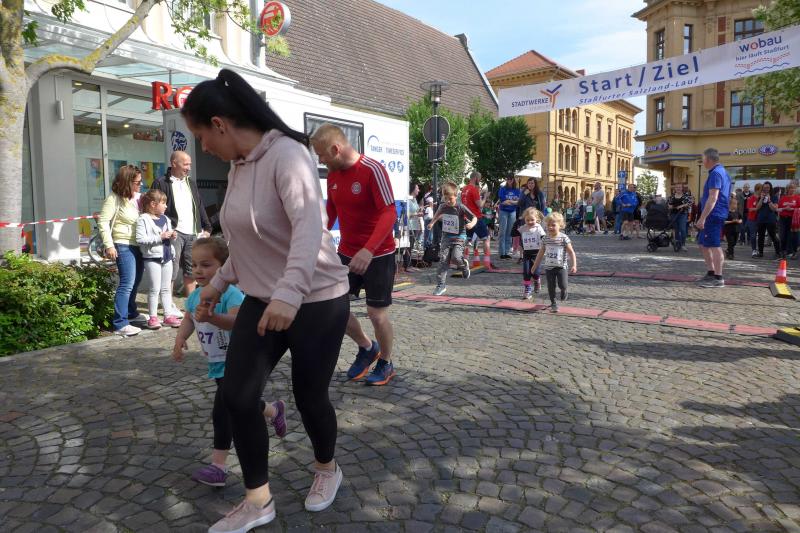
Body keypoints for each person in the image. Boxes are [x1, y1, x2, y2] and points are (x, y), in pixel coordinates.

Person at [183, 69, 351, 532]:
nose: (203, 148)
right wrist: (217, 285)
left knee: (309, 396)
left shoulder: (288, 155)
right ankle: (258, 501)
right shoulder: (238, 167)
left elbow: (308, 230)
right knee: (237, 396)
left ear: (219, 124)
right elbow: (246, 243)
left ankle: (326, 468)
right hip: (264, 298)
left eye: (201, 136)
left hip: (316, 298)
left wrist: (290, 293)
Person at [172, 237, 286, 488]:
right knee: (239, 403)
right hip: (216, 363)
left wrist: (212, 318)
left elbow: (237, 321)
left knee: (222, 411)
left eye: (206, 265)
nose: (198, 270)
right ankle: (273, 410)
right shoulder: (195, 295)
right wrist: (180, 338)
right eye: (195, 265)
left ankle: (218, 467)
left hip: (237, 361)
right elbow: (189, 318)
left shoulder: (231, 294)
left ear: (224, 268)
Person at [310, 123, 398, 386]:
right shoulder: (334, 176)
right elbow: (331, 212)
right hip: (347, 253)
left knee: (376, 313)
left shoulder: (372, 169)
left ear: (335, 149)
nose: (321, 161)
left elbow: (389, 212)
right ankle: (367, 347)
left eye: (322, 155)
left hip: (378, 254)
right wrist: (313, 239)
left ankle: (386, 362)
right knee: (334, 308)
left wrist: (368, 250)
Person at [151, 150, 213, 298]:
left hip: (192, 232)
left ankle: (191, 303)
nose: (189, 167)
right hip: (174, 232)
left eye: (189, 164)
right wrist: (159, 229)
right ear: (174, 163)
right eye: (185, 164)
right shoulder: (161, 182)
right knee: (170, 269)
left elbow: (199, 205)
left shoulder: (190, 182)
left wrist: (207, 227)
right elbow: (152, 208)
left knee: (191, 271)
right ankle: (168, 304)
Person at [97, 165, 146, 336]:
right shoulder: (114, 198)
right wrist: (109, 245)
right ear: (127, 181)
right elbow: (103, 221)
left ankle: (131, 314)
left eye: (141, 181)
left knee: (136, 281)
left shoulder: (137, 198)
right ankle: (120, 323)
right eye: (137, 182)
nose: (141, 184)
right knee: (127, 283)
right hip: (122, 244)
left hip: (138, 244)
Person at [135, 189, 181, 330]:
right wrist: (160, 237)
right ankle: (153, 317)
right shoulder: (143, 219)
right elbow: (140, 239)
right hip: (152, 258)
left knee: (166, 289)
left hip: (167, 257)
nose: (166, 206)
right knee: (154, 289)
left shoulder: (166, 218)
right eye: (163, 203)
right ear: (153, 204)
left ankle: (168, 316)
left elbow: (169, 237)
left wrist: (173, 236)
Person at [427, 182, 477, 295]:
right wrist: (432, 223)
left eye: (450, 198)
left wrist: (472, 224)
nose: (448, 201)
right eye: (445, 198)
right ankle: (441, 285)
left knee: (456, 257)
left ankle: (463, 266)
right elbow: (437, 215)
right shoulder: (442, 206)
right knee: (443, 260)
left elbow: (474, 217)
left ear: (456, 195)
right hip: (446, 236)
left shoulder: (460, 207)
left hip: (459, 236)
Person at [696, 148, 732, 288]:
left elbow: (713, 197)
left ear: (709, 159)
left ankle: (718, 277)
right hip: (715, 213)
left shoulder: (716, 173)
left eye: (703, 159)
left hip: (713, 214)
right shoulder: (721, 172)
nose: (702, 161)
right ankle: (711, 273)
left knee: (714, 245)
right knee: (702, 243)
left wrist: (702, 218)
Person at [532, 212, 577, 313]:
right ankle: (553, 303)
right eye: (548, 225)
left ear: (560, 225)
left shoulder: (564, 238)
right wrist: (535, 265)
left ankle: (564, 290)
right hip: (549, 267)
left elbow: (571, 252)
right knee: (551, 286)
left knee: (562, 284)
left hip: (561, 267)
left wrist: (574, 265)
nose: (550, 227)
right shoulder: (545, 239)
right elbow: (540, 253)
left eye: (553, 225)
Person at [462, 171, 495, 269]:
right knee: (486, 238)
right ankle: (487, 262)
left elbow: (468, 201)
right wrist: (485, 197)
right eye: (479, 179)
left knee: (468, 239)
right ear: (476, 178)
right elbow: (480, 205)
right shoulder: (474, 189)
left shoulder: (464, 189)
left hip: (466, 217)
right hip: (475, 217)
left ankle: (464, 262)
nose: (479, 181)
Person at [519, 207, 546, 300]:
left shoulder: (538, 227)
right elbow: (514, 233)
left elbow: (543, 237)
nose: (530, 222)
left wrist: (545, 245)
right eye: (527, 220)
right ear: (524, 220)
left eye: (532, 220)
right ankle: (527, 289)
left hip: (537, 254)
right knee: (526, 272)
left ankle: (537, 280)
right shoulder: (523, 228)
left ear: (537, 219)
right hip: (526, 253)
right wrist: (518, 221)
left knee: (535, 272)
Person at [755, 181, 781, 259]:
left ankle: (778, 253)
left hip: (770, 219)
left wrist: (769, 200)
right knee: (760, 236)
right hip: (761, 219)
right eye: (764, 187)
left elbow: (774, 208)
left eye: (767, 187)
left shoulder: (774, 197)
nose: (766, 189)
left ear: (770, 188)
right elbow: (757, 207)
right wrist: (761, 199)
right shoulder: (760, 196)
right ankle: (760, 253)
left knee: (773, 236)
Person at [497, 177, 520, 259]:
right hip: (503, 211)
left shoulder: (517, 190)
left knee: (509, 232)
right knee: (502, 232)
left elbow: (518, 202)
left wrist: (509, 201)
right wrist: (513, 201)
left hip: (512, 212)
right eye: (508, 179)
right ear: (507, 180)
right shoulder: (503, 189)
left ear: (513, 180)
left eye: (511, 179)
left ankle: (506, 252)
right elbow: (503, 201)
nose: (510, 181)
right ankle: (502, 252)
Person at [777, 182, 799, 260]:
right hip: (783, 218)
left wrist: (792, 209)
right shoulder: (783, 198)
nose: (792, 189)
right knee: (782, 235)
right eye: (790, 188)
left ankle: (793, 252)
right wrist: (784, 208)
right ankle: (783, 251)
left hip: (793, 219)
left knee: (793, 236)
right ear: (787, 189)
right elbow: (778, 209)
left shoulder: (797, 198)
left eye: (793, 188)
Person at [668, 185, 692, 251]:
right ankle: (678, 244)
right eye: (677, 187)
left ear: (682, 188)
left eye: (679, 187)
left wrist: (682, 206)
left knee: (682, 229)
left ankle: (683, 244)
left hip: (682, 214)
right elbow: (669, 203)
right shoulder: (672, 196)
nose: (678, 188)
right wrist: (669, 206)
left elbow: (690, 202)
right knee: (676, 230)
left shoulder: (685, 196)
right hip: (673, 214)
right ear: (675, 188)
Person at [745, 183, 762, 257]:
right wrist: (757, 208)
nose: (762, 191)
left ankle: (760, 250)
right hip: (752, 219)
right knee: (753, 235)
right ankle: (754, 250)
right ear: (757, 189)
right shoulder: (751, 198)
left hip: (761, 219)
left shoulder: (762, 198)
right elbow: (750, 209)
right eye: (761, 190)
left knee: (761, 235)